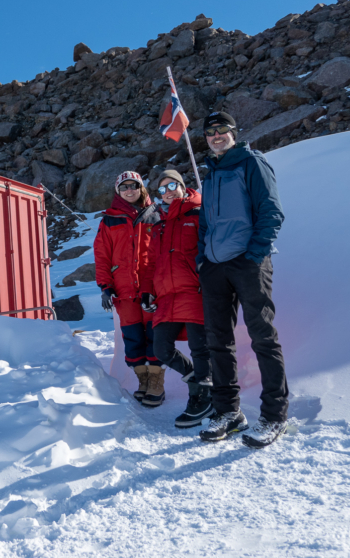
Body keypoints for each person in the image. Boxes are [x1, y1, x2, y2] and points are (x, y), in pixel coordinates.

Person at [195, 111, 289, 448]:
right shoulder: (212, 172)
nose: (216, 136)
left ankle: (275, 416)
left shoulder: (252, 163)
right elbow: (206, 221)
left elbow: (272, 211)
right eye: (210, 132)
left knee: (263, 338)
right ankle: (229, 412)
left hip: (249, 263)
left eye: (222, 130)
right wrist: (202, 258)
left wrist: (254, 253)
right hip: (215, 266)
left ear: (235, 133)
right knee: (217, 341)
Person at [138, 169, 214, 425]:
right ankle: (196, 378)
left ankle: (202, 400)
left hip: (194, 291)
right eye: (162, 189)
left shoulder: (200, 213)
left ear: (183, 187)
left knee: (200, 349)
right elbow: (152, 264)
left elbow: (211, 250)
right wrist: (148, 289)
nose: (168, 192)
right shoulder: (160, 225)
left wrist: (208, 279)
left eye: (172, 186)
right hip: (166, 297)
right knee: (161, 349)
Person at [94, 171, 163, 406]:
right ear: (118, 191)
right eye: (124, 187)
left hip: (151, 289)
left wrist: (155, 285)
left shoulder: (157, 215)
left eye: (134, 186)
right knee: (133, 338)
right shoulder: (109, 220)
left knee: (155, 336)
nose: (129, 190)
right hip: (124, 293)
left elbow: (162, 254)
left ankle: (156, 383)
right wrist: (105, 286)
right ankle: (142, 380)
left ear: (141, 188)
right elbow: (102, 256)